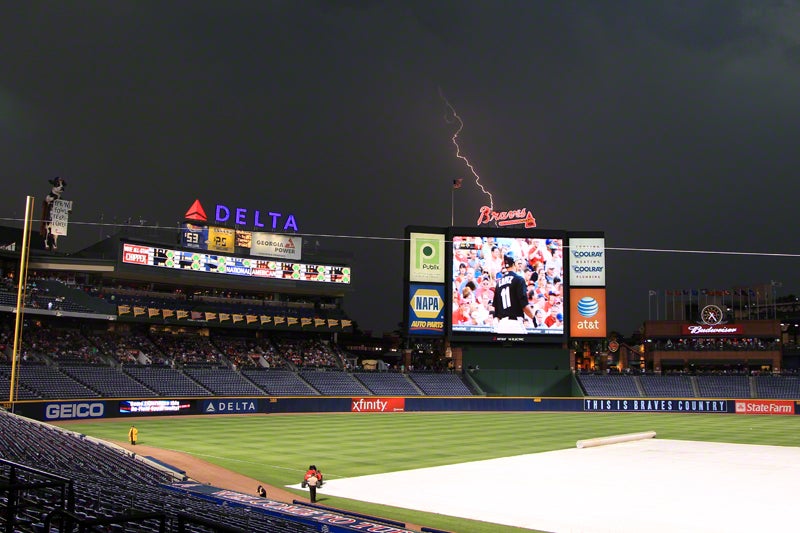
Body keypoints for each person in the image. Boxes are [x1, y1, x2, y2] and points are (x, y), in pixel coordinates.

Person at [492, 254, 535, 334]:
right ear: (514, 264)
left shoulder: (499, 283)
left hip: (501, 324)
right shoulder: (519, 279)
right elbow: (524, 305)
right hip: (515, 324)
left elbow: (496, 310)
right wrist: (533, 317)